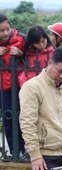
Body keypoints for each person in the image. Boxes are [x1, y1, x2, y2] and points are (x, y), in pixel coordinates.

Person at [0, 14, 26, 158]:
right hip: (3, 87)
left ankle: (26, 150)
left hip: (21, 86)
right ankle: (15, 151)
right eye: (1, 30)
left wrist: (21, 53)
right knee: (8, 120)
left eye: (7, 29)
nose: (4, 33)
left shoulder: (22, 38)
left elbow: (35, 57)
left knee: (23, 119)